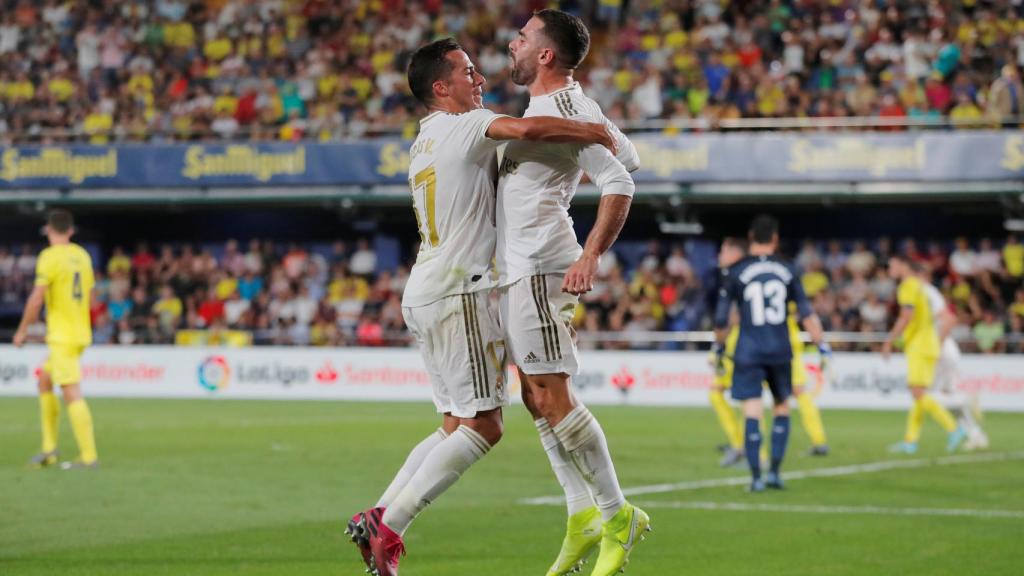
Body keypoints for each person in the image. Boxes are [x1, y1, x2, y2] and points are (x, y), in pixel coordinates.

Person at [345, 37, 617, 576]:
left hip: (425, 288)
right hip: (458, 290)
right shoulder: (464, 124)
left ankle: (377, 512)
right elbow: (528, 128)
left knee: (453, 423)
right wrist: (595, 130)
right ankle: (391, 525)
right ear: (441, 88)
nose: (481, 79)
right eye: (468, 72)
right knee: (485, 426)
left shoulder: (424, 139)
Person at [499, 10, 648, 576]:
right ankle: (580, 510)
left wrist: (589, 255)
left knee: (553, 397)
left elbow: (620, 179)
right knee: (535, 397)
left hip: (542, 268)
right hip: (519, 270)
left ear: (543, 55)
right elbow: (626, 153)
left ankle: (616, 513)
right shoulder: (554, 110)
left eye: (522, 37)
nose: (511, 43)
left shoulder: (565, 108)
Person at [713, 215, 830, 492]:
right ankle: (775, 473)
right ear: (775, 239)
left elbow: (722, 319)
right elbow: (807, 314)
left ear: (751, 237)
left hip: (748, 350)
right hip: (780, 349)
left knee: (752, 410)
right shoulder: (788, 270)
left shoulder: (736, 271)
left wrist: (719, 347)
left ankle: (755, 478)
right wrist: (822, 345)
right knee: (782, 408)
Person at [13, 209, 98, 470]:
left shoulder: (49, 257)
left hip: (62, 335)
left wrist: (23, 330)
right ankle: (49, 449)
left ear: (49, 230)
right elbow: (92, 297)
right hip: (80, 332)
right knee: (44, 381)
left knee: (71, 390)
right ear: (71, 231)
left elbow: (37, 298)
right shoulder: (82, 256)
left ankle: (88, 456)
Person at [883, 254, 966, 454]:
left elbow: (906, 315)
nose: (889, 268)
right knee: (919, 395)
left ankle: (954, 428)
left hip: (920, 346)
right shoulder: (920, 287)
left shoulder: (908, 286)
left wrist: (889, 340)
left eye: (892, 264)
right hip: (929, 344)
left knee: (918, 393)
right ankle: (910, 441)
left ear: (903, 265)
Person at [916, 264, 987, 450]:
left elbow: (951, 320)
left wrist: (936, 348)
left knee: (926, 395)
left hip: (942, 352)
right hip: (947, 350)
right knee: (945, 399)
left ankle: (965, 399)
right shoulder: (925, 297)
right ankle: (976, 434)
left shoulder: (927, 295)